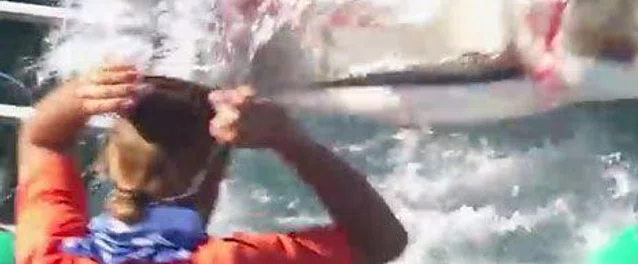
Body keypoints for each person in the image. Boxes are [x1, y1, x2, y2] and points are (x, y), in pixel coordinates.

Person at [15, 63, 408, 264]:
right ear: (211, 173)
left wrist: (76, 97)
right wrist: (290, 140)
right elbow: (379, 242)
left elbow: (43, 142)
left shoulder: (50, 254)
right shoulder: (230, 259)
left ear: (105, 161)